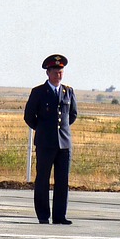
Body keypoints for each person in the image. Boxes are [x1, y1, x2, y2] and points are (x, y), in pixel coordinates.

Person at [23, 54, 78, 225]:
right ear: (48, 73)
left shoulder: (68, 91)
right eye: (55, 72)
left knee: (62, 181)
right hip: (45, 143)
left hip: (64, 144)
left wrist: (62, 133)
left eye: (60, 71)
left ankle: (60, 216)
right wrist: (43, 130)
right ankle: (43, 215)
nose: (58, 75)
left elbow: (72, 115)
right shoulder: (39, 92)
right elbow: (29, 116)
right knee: (43, 180)